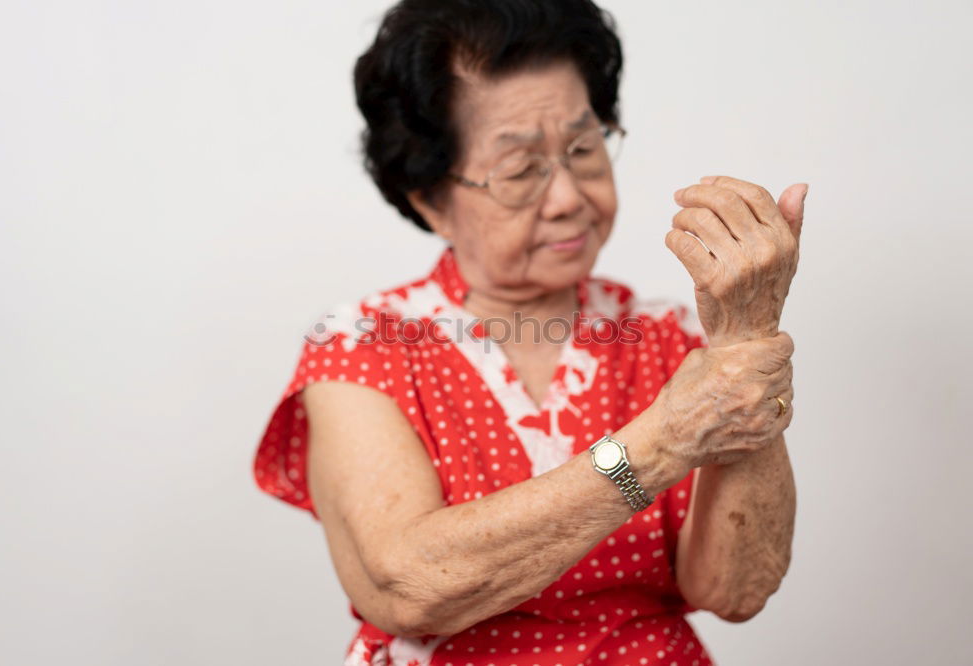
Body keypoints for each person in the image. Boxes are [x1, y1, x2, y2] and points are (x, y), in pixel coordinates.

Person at [252, 1, 806, 664]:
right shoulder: (360, 344)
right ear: (431, 198)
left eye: (583, 147)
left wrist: (747, 338)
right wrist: (663, 441)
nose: (569, 195)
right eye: (520, 170)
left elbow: (735, 590)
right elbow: (404, 584)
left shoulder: (670, 334)